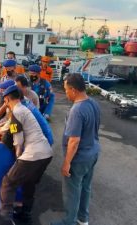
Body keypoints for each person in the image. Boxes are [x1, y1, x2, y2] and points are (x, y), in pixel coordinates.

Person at [50, 73, 100, 225]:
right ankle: (82, 218)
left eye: (65, 89)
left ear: (73, 89)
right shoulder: (93, 103)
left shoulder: (76, 110)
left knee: (72, 191)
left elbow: (74, 141)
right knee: (85, 187)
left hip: (79, 158)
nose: (65, 93)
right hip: (93, 152)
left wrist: (66, 163)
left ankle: (69, 221)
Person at [0, 85, 53, 223]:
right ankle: (25, 214)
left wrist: (18, 160)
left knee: (8, 182)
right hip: (46, 154)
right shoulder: (25, 109)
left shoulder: (16, 112)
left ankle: (5, 219)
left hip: (34, 154)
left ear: (6, 99)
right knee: (29, 183)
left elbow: (18, 141)